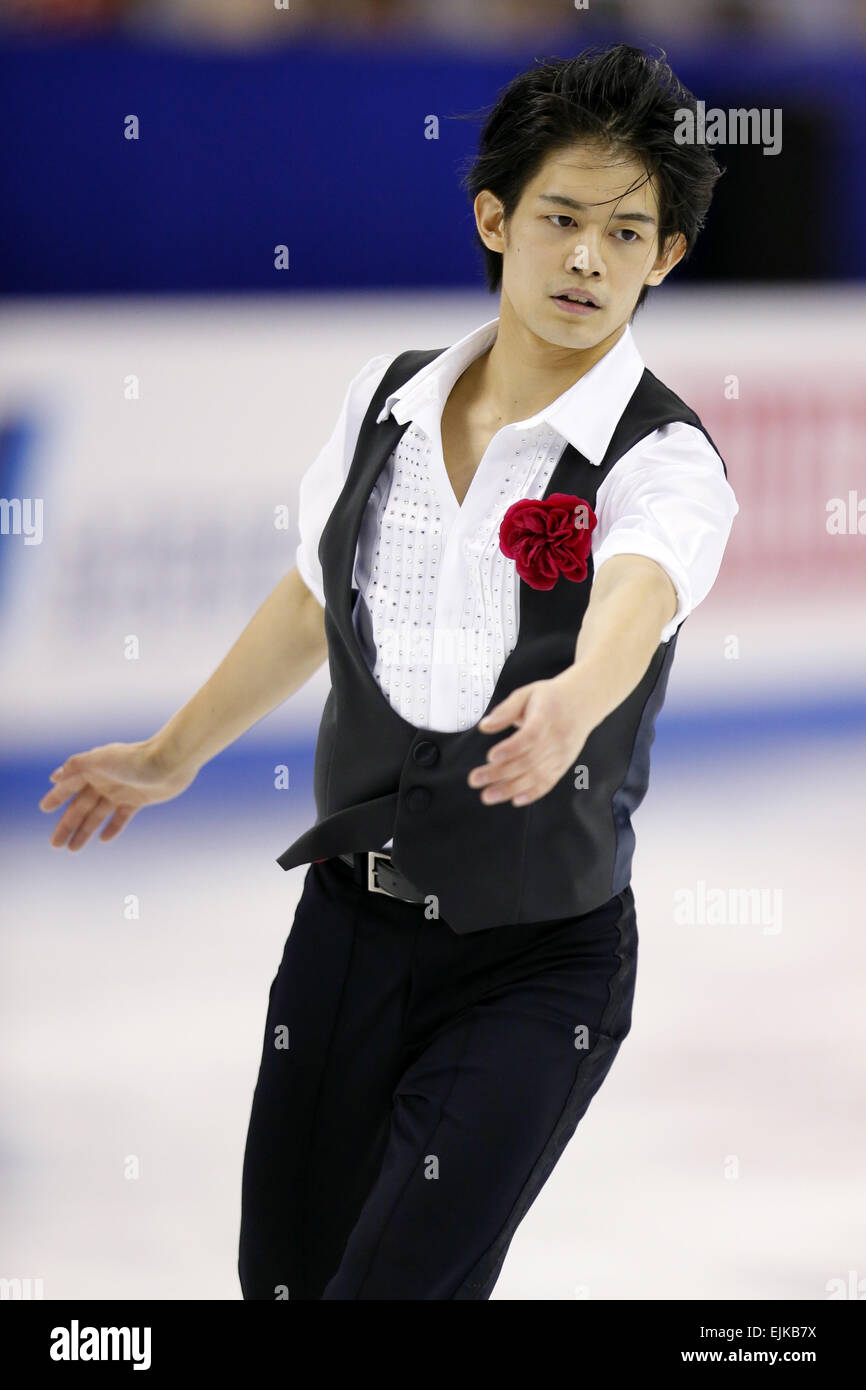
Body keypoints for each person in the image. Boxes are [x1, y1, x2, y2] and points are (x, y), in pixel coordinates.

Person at [39, 43, 739, 1299]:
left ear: (664, 256)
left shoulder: (663, 458)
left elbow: (639, 591)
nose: (587, 258)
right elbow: (315, 596)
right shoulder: (390, 400)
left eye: (626, 232)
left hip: (538, 961)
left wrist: (578, 698)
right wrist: (169, 754)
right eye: (560, 218)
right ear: (494, 216)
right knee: (286, 1285)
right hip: (345, 939)